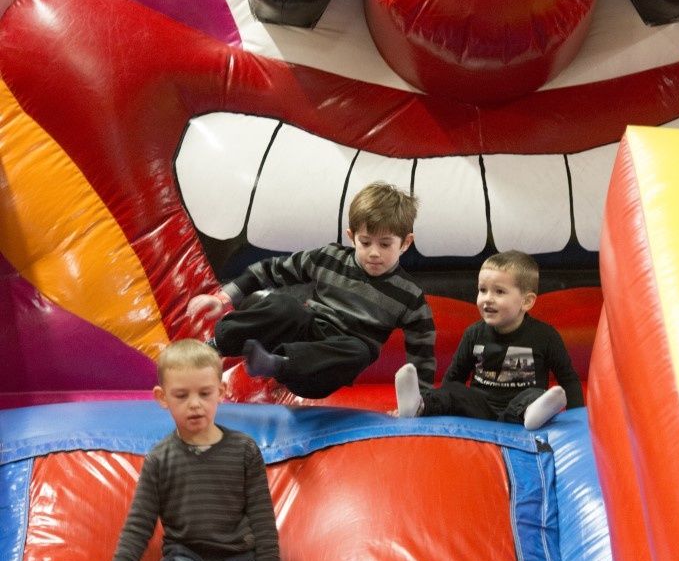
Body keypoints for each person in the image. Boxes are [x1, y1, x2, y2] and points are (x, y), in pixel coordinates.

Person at [91, 339, 294, 561]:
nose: (195, 404)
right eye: (181, 396)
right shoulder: (160, 459)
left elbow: (261, 515)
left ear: (221, 392)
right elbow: (140, 521)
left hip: (238, 556)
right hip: (185, 555)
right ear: (162, 398)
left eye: (204, 393)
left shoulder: (244, 451)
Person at [186, 182, 436, 398]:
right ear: (352, 236)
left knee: (362, 352)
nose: (374, 253)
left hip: (320, 369)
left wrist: (420, 398)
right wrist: (224, 297)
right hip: (304, 333)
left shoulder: (408, 294)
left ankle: (277, 364)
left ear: (405, 243)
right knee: (286, 305)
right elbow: (272, 269)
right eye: (365, 242)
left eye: (385, 245)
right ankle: (215, 346)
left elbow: (422, 351)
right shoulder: (331, 258)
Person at [394, 250, 583, 429]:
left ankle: (533, 415)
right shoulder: (474, 334)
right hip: (480, 411)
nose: (487, 299)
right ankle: (418, 407)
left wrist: (577, 417)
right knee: (455, 389)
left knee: (536, 395)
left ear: (526, 301)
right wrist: (438, 401)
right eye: (483, 290)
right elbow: (454, 377)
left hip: (518, 411)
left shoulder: (545, 336)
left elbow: (569, 380)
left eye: (499, 292)